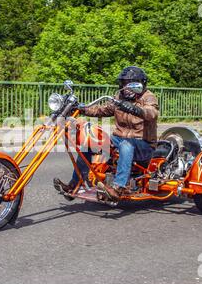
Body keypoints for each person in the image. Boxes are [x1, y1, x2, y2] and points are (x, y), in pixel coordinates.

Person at [54, 66, 159, 200]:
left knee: (126, 145)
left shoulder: (148, 97)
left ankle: (118, 188)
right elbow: (102, 110)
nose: (126, 87)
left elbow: (152, 113)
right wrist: (82, 108)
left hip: (143, 144)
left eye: (129, 84)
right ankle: (75, 184)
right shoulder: (120, 97)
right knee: (90, 143)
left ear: (139, 84)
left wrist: (135, 109)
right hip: (118, 139)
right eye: (124, 84)